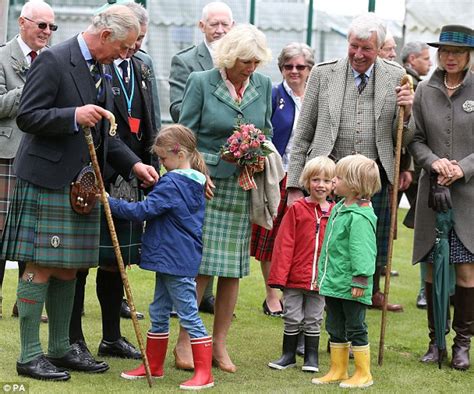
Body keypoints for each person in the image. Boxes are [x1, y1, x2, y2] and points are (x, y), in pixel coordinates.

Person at [0, 4, 159, 381]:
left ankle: (59, 348)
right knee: (41, 266)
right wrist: (72, 115)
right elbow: (28, 116)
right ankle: (29, 355)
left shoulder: (102, 67)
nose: (127, 55)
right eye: (124, 47)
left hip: (82, 184)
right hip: (47, 178)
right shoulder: (54, 60)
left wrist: (134, 164)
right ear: (105, 36)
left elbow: (105, 132)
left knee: (71, 267)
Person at [286, 13, 415, 313]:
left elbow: (404, 138)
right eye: (354, 46)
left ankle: (355, 312)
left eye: (366, 48)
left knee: (366, 250)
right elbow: (302, 134)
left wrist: (407, 114)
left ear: (380, 47)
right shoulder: (322, 73)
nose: (358, 54)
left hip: (373, 181)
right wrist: (294, 185)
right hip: (326, 177)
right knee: (325, 249)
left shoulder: (398, 76)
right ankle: (318, 311)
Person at [176, 23, 273, 373]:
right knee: (201, 266)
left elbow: (267, 130)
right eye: (246, 61)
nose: (252, 68)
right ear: (230, 57)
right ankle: (186, 342)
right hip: (208, 185)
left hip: (242, 188)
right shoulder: (201, 82)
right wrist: (201, 171)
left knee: (232, 270)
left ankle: (219, 345)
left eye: (256, 62)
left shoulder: (263, 84)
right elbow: (185, 137)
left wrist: (258, 151)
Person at [68, 0, 159, 361]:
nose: (134, 47)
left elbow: (149, 119)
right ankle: (73, 338)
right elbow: (104, 130)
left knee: (114, 261)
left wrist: (146, 164)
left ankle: (111, 337)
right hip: (95, 174)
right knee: (78, 261)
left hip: (131, 175)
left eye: (140, 40)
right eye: (131, 41)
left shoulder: (143, 66)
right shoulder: (97, 66)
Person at [110, 124, 214, 390]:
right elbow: (164, 204)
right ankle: (153, 366)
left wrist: (109, 202)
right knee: (158, 310)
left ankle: (205, 373)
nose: (162, 163)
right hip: (175, 257)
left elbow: (144, 211)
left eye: (163, 158)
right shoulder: (193, 180)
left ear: (178, 153)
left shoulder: (174, 182)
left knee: (188, 313)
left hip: (174, 258)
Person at [409, 24, 474, 371]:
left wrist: (461, 168)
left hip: (469, 196)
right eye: (445, 51)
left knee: (466, 272)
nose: (450, 57)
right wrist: (434, 163)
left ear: (469, 56)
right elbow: (414, 139)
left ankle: (462, 345)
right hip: (431, 194)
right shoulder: (423, 90)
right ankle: (436, 343)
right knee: (433, 270)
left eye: (458, 53)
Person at [169, 1, 234, 316]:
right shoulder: (186, 62)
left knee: (219, 241)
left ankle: (204, 296)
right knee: (190, 231)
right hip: (196, 156)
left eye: (225, 24)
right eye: (214, 24)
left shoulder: (242, 61)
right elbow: (177, 111)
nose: (220, 30)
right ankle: (179, 297)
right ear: (201, 26)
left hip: (232, 165)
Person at [0, 0, 55, 322]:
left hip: (37, 155)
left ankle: (26, 300)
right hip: (6, 156)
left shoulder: (53, 59)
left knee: (31, 234)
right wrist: (30, 90)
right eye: (41, 26)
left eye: (52, 27)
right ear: (23, 23)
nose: (47, 33)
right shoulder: (2, 56)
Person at [251, 43, 315, 318]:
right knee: (271, 235)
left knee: (299, 238)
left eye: (300, 67)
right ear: (280, 69)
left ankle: (296, 293)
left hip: (308, 175)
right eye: (288, 66)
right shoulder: (273, 95)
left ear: (310, 69)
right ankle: (271, 295)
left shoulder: (316, 97)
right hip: (276, 174)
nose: (294, 71)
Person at [312, 154, 381, 388]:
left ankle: (363, 373)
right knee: (334, 325)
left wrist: (360, 280)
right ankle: (338, 369)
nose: (333, 181)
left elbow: (363, 251)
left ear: (353, 184)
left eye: (338, 178)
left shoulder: (360, 217)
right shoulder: (340, 208)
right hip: (334, 281)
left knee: (355, 326)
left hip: (352, 285)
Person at [267, 156, 335, 373]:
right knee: (292, 316)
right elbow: (284, 245)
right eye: (316, 180)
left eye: (326, 180)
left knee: (314, 318)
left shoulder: (336, 213)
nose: (320, 185)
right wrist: (279, 277)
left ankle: (311, 358)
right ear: (307, 182)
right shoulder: (296, 209)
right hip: (294, 278)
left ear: (334, 184)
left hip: (320, 279)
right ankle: (288, 355)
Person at [400, 41, 433, 309]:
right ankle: (426, 290)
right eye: (426, 57)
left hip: (423, 168)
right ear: (412, 58)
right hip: (416, 167)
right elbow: (411, 131)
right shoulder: (411, 82)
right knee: (426, 229)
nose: (430, 62)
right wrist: (408, 166)